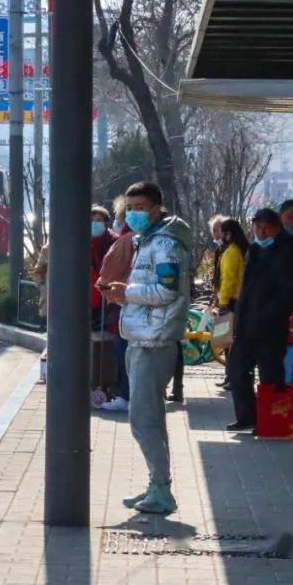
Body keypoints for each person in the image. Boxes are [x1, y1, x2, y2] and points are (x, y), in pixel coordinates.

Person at [102, 181, 191, 514]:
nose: (134, 213)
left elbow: (167, 292)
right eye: (130, 207)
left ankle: (161, 488)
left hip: (155, 341)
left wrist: (127, 292)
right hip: (142, 337)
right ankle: (157, 485)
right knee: (149, 417)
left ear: (156, 208)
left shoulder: (165, 244)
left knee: (143, 418)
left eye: (140, 207)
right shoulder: (148, 240)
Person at [226, 208, 293, 431]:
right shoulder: (254, 251)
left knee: (270, 374)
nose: (261, 233)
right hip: (246, 324)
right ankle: (247, 416)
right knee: (236, 370)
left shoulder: (287, 252)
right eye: (258, 228)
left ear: (277, 229)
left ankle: (271, 421)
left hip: (271, 326)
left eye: (266, 228)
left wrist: (273, 313)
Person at [97, 196, 134, 411]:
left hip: (124, 303)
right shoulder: (146, 239)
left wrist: (105, 287)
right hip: (141, 305)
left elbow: (107, 273)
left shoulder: (126, 240)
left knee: (124, 352)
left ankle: (125, 395)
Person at [212, 216, 250, 389]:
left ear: (228, 233)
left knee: (230, 341)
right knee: (234, 341)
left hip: (231, 301)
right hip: (239, 300)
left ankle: (234, 377)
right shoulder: (240, 249)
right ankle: (233, 376)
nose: (219, 236)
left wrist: (223, 301)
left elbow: (228, 279)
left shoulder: (231, 252)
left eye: (221, 232)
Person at [89, 206, 118, 408]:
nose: (95, 224)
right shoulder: (82, 241)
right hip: (89, 299)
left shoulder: (115, 242)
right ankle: (90, 386)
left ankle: (106, 387)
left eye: (99, 220)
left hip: (108, 300)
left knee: (107, 344)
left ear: (107, 223)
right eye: (92, 220)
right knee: (91, 344)